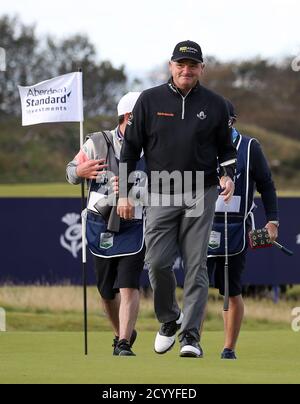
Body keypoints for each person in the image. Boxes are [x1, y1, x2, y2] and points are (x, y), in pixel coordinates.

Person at [118, 41, 237, 358]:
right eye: (181, 64)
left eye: (193, 65)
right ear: (171, 66)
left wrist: (228, 176)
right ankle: (169, 319)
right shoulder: (149, 100)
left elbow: (226, 150)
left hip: (201, 188)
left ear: (202, 68)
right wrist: (125, 193)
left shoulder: (216, 105)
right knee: (157, 264)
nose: (186, 70)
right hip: (161, 189)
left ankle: (191, 337)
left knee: (197, 265)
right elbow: (130, 150)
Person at [66, 92, 146, 356]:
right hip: (101, 224)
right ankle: (120, 332)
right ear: (128, 117)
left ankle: (123, 342)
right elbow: (70, 172)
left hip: (134, 223)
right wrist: (80, 172)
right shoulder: (97, 143)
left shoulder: (154, 146)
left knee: (128, 285)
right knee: (105, 291)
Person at [207, 100, 279, 359]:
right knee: (196, 287)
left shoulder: (250, 148)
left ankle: (229, 347)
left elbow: (267, 186)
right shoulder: (201, 146)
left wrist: (272, 221)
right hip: (202, 226)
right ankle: (192, 342)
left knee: (231, 289)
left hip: (236, 227)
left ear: (231, 121)